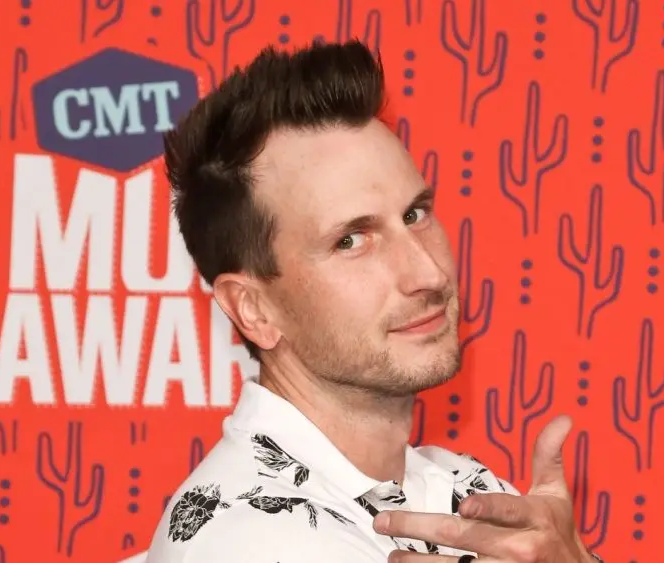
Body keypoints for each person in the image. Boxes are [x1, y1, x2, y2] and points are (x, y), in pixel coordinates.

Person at [144, 39, 604, 563]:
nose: (428, 273)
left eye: (414, 215)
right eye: (351, 240)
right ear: (253, 309)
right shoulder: (251, 538)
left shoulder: (463, 490)